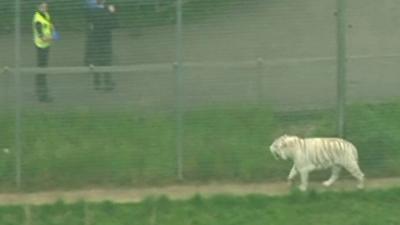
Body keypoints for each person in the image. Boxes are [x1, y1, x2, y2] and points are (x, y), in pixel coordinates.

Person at [85, 0, 118, 91]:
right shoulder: (107, 11)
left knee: (96, 61)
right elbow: (115, 25)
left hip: (95, 39)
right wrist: (113, 13)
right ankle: (107, 83)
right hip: (106, 39)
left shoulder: (91, 12)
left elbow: (90, 25)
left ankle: (97, 83)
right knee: (107, 61)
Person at [33, 1, 55, 102]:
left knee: (43, 70)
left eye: (45, 5)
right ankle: (42, 95)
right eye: (42, 6)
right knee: (41, 71)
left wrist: (53, 32)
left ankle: (40, 91)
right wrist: (52, 38)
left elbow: (50, 26)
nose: (44, 7)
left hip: (46, 46)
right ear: (38, 7)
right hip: (41, 47)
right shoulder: (37, 19)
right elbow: (41, 37)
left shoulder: (46, 14)